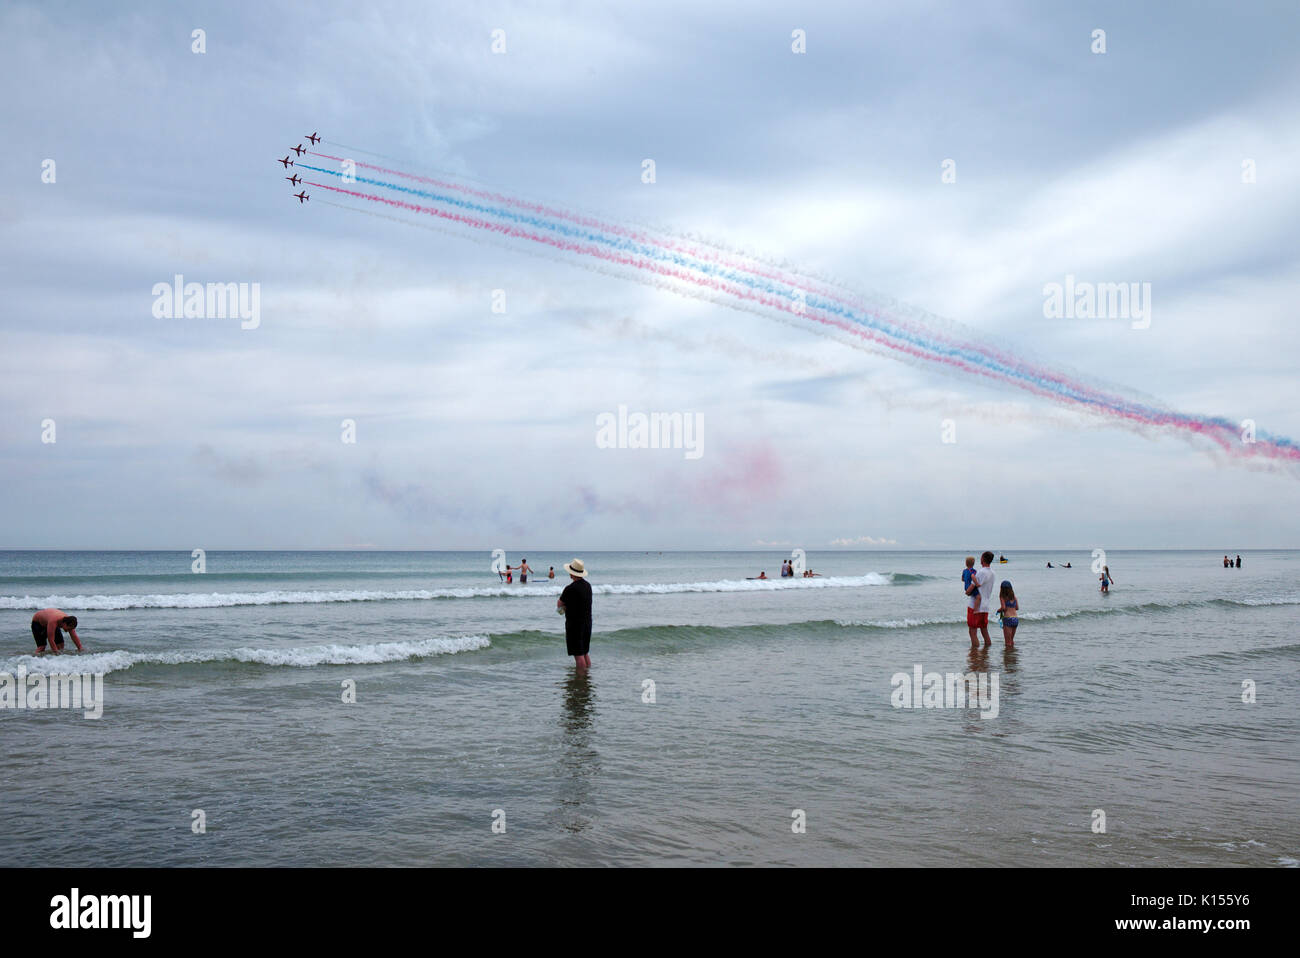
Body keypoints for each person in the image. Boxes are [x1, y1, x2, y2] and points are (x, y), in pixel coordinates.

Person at [556, 558, 593, 670]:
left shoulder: (570, 588)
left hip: (575, 624)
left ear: (571, 573)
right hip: (587, 622)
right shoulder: (588, 586)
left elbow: (559, 605)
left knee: (578, 655)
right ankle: (587, 676)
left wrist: (565, 609)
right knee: (585, 652)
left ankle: (581, 681)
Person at [967, 551, 995, 648]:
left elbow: (972, 586)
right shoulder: (992, 573)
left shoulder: (981, 572)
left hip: (975, 605)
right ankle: (986, 652)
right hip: (985, 605)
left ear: (983, 558)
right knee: (984, 629)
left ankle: (975, 653)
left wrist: (967, 592)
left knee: (972, 631)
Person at [996, 581, 1019, 648]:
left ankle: (1008, 657)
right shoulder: (1014, 597)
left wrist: (998, 610)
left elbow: (1004, 608)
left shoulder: (1002, 597)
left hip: (1008, 618)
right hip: (1015, 619)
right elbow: (1017, 608)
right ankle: (1012, 656)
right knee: (1011, 640)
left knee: (1007, 642)